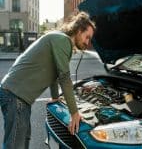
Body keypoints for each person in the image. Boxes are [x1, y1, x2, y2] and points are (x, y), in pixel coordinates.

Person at [0, 11, 96, 149]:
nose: (87, 42)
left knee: (22, 141)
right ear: (79, 31)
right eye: (87, 37)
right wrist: (74, 113)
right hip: (15, 96)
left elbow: (55, 73)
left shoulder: (59, 39)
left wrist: (55, 97)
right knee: (15, 145)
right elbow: (64, 77)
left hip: (16, 96)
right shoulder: (63, 41)